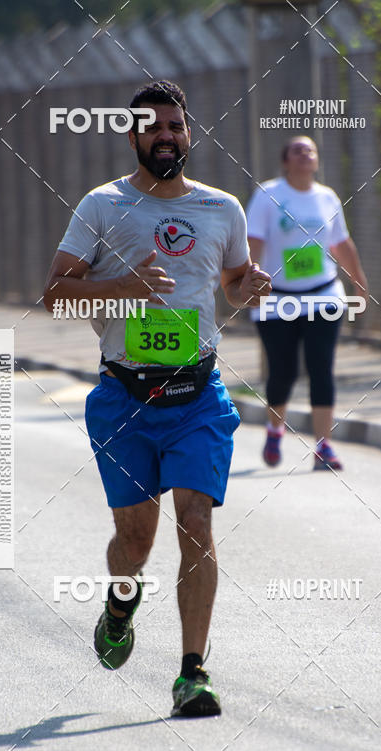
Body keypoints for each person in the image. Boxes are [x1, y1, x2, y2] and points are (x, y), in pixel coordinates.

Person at [43, 80, 271, 717]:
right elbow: (56, 293)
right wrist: (125, 287)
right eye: (152, 128)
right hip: (125, 401)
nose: (165, 136)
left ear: (188, 133)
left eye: (175, 126)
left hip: (198, 396)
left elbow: (229, 287)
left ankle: (192, 673)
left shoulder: (223, 208)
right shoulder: (102, 206)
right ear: (134, 136)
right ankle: (122, 601)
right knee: (135, 542)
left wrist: (250, 286)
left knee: (196, 522)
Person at [246, 135, 368, 470]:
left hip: (323, 294)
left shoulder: (327, 198)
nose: (305, 155)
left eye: (310, 150)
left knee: (321, 368)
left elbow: (341, 243)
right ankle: (274, 429)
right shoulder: (269, 195)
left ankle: (324, 446)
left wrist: (358, 280)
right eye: (297, 151)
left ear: (317, 161)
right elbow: (252, 242)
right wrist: (248, 284)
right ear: (285, 161)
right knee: (282, 371)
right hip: (277, 299)